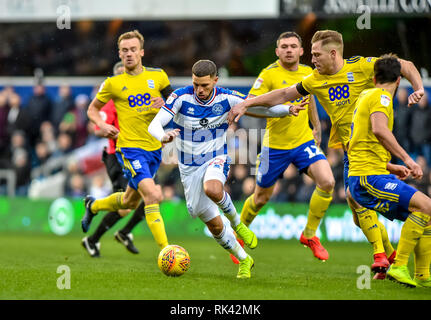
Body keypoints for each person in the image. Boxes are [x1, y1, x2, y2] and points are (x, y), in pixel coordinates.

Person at [228, 29, 424, 279]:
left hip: (359, 148)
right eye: (310, 54)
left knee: (344, 190)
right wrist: (246, 103)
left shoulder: (362, 67)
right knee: (352, 211)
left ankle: (383, 257)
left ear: (333, 53)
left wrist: (418, 88)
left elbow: (404, 65)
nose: (313, 59)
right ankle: (389, 256)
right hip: (314, 147)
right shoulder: (309, 78)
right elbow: (284, 94)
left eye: (316, 54)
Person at [148, 60, 303, 278]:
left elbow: (257, 107)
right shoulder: (180, 97)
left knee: (213, 188)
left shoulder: (226, 97)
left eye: (205, 85)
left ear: (215, 80)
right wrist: (163, 136)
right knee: (214, 226)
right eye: (196, 85)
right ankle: (244, 260)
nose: (200, 90)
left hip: (216, 157)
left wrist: (287, 109)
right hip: (189, 169)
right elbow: (154, 124)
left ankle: (239, 225)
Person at [239, 32, 335, 262]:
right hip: (275, 147)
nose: (289, 49)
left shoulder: (308, 72)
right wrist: (280, 109)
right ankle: (239, 232)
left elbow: (309, 97)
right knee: (261, 198)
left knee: (328, 182)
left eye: (293, 46)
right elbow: (249, 105)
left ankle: (310, 235)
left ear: (302, 51)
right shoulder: (269, 74)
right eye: (284, 46)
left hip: (303, 141)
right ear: (277, 51)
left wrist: (315, 126)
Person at [82, 30, 174, 254]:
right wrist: (102, 126)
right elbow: (92, 110)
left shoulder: (159, 77)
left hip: (153, 149)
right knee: (152, 195)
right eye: (124, 50)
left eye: (133, 49)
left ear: (142, 52)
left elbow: (175, 105)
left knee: (129, 202)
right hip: (130, 149)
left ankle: (93, 205)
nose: (129, 54)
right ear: (120, 54)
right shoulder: (113, 83)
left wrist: (165, 109)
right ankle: (167, 251)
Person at [348, 54, 431, 288]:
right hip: (368, 177)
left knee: (426, 215)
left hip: (368, 174)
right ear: (398, 81)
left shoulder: (366, 94)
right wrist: (408, 159)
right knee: (426, 206)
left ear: (373, 78)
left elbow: (356, 143)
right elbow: (379, 130)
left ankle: (423, 276)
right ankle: (399, 265)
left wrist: (391, 165)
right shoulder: (381, 98)